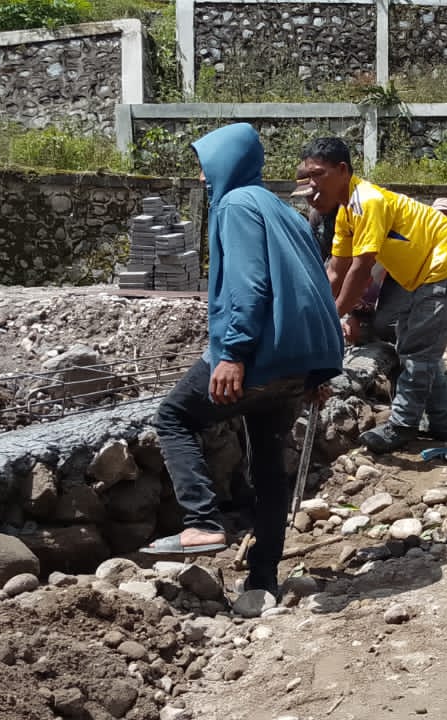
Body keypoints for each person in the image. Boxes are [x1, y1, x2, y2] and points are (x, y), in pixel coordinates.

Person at [142, 123, 344, 599]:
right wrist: (318, 369)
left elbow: (249, 286)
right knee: (270, 468)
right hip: (298, 361)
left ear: (225, 164)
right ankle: (262, 580)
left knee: (172, 416)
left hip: (259, 354)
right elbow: (314, 287)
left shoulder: (234, 206)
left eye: (205, 167)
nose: (202, 179)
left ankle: (202, 521)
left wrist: (232, 354)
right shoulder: (286, 211)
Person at [299, 137, 447, 452]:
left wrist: (333, 317)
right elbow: (335, 271)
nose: (312, 184)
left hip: (444, 264)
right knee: (418, 348)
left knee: (417, 351)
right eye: (307, 177)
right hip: (416, 273)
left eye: (318, 174)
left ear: (342, 169)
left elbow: (361, 269)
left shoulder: (367, 202)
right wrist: (318, 314)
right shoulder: (345, 213)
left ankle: (402, 425)